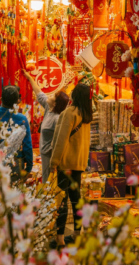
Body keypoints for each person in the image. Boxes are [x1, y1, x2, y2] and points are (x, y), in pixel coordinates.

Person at [50, 84, 93, 247]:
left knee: (62, 200)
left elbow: (61, 140)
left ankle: (60, 238)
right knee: (76, 200)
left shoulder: (69, 113)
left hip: (66, 163)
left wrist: (54, 162)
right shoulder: (87, 115)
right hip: (79, 163)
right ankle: (77, 235)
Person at [22, 68, 69, 177]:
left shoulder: (57, 118)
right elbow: (39, 92)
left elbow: (60, 141)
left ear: (56, 103)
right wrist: (29, 77)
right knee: (45, 182)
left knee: (48, 184)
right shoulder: (49, 109)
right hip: (44, 154)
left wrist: (54, 160)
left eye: (53, 96)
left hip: (51, 156)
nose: (49, 96)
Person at [0, 86, 33, 177]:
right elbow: (27, 144)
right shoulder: (22, 119)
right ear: (17, 101)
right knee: (13, 189)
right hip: (15, 162)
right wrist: (29, 166)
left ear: (1, 99)